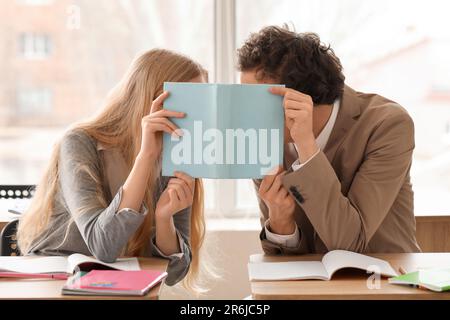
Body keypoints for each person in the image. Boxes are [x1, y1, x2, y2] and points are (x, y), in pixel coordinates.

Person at [17, 49, 207, 287]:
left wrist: (164, 218)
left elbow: (176, 272)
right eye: (190, 101)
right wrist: (146, 157)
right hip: (54, 278)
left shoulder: (179, 155)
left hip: (116, 283)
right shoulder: (78, 143)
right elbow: (103, 246)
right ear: (151, 98)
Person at [238, 25, 421, 255]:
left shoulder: (387, 125)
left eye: (256, 103)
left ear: (302, 99)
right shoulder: (264, 142)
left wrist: (306, 146)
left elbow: (350, 242)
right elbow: (280, 263)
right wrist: (281, 223)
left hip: (383, 283)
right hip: (307, 289)